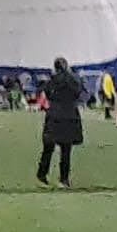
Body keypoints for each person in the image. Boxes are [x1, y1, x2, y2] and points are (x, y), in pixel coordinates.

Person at [37, 57, 83, 188]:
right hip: (69, 115)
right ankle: (64, 179)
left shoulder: (52, 81)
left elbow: (47, 93)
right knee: (66, 150)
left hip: (54, 115)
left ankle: (42, 175)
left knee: (48, 148)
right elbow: (78, 93)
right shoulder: (73, 80)